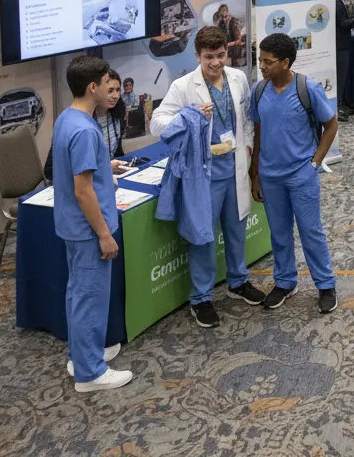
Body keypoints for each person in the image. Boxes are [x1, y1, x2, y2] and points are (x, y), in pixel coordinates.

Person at [150, 27, 265, 327]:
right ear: (197, 56)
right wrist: (189, 115)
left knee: (237, 229)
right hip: (205, 174)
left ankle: (238, 281)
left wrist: (248, 145)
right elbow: (156, 124)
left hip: (234, 166)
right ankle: (200, 298)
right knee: (203, 237)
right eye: (209, 57)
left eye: (221, 55)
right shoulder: (183, 86)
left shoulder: (237, 78)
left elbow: (246, 117)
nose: (216, 63)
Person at [50, 56, 132, 392]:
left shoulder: (67, 118)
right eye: (106, 83)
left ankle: (83, 353)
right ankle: (90, 373)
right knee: (89, 296)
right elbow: (83, 191)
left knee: (78, 293)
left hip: (73, 226)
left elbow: (76, 170)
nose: (112, 88)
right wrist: (104, 234)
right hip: (89, 230)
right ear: (92, 87)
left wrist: (102, 165)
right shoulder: (85, 130)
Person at [249, 32, 339, 314]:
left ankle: (325, 285)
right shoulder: (258, 91)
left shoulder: (307, 88)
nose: (262, 66)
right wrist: (255, 173)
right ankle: (285, 282)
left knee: (311, 231)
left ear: (285, 62)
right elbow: (258, 132)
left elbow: (331, 125)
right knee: (279, 234)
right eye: (260, 60)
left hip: (302, 174)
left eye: (268, 61)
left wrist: (315, 163)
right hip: (270, 176)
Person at [213, 3, 246, 68]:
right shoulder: (221, 22)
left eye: (224, 11)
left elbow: (238, 37)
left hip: (235, 43)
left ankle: (234, 62)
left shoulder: (234, 21)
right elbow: (219, 32)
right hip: (227, 42)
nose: (223, 13)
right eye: (222, 12)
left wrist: (233, 42)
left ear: (227, 11)